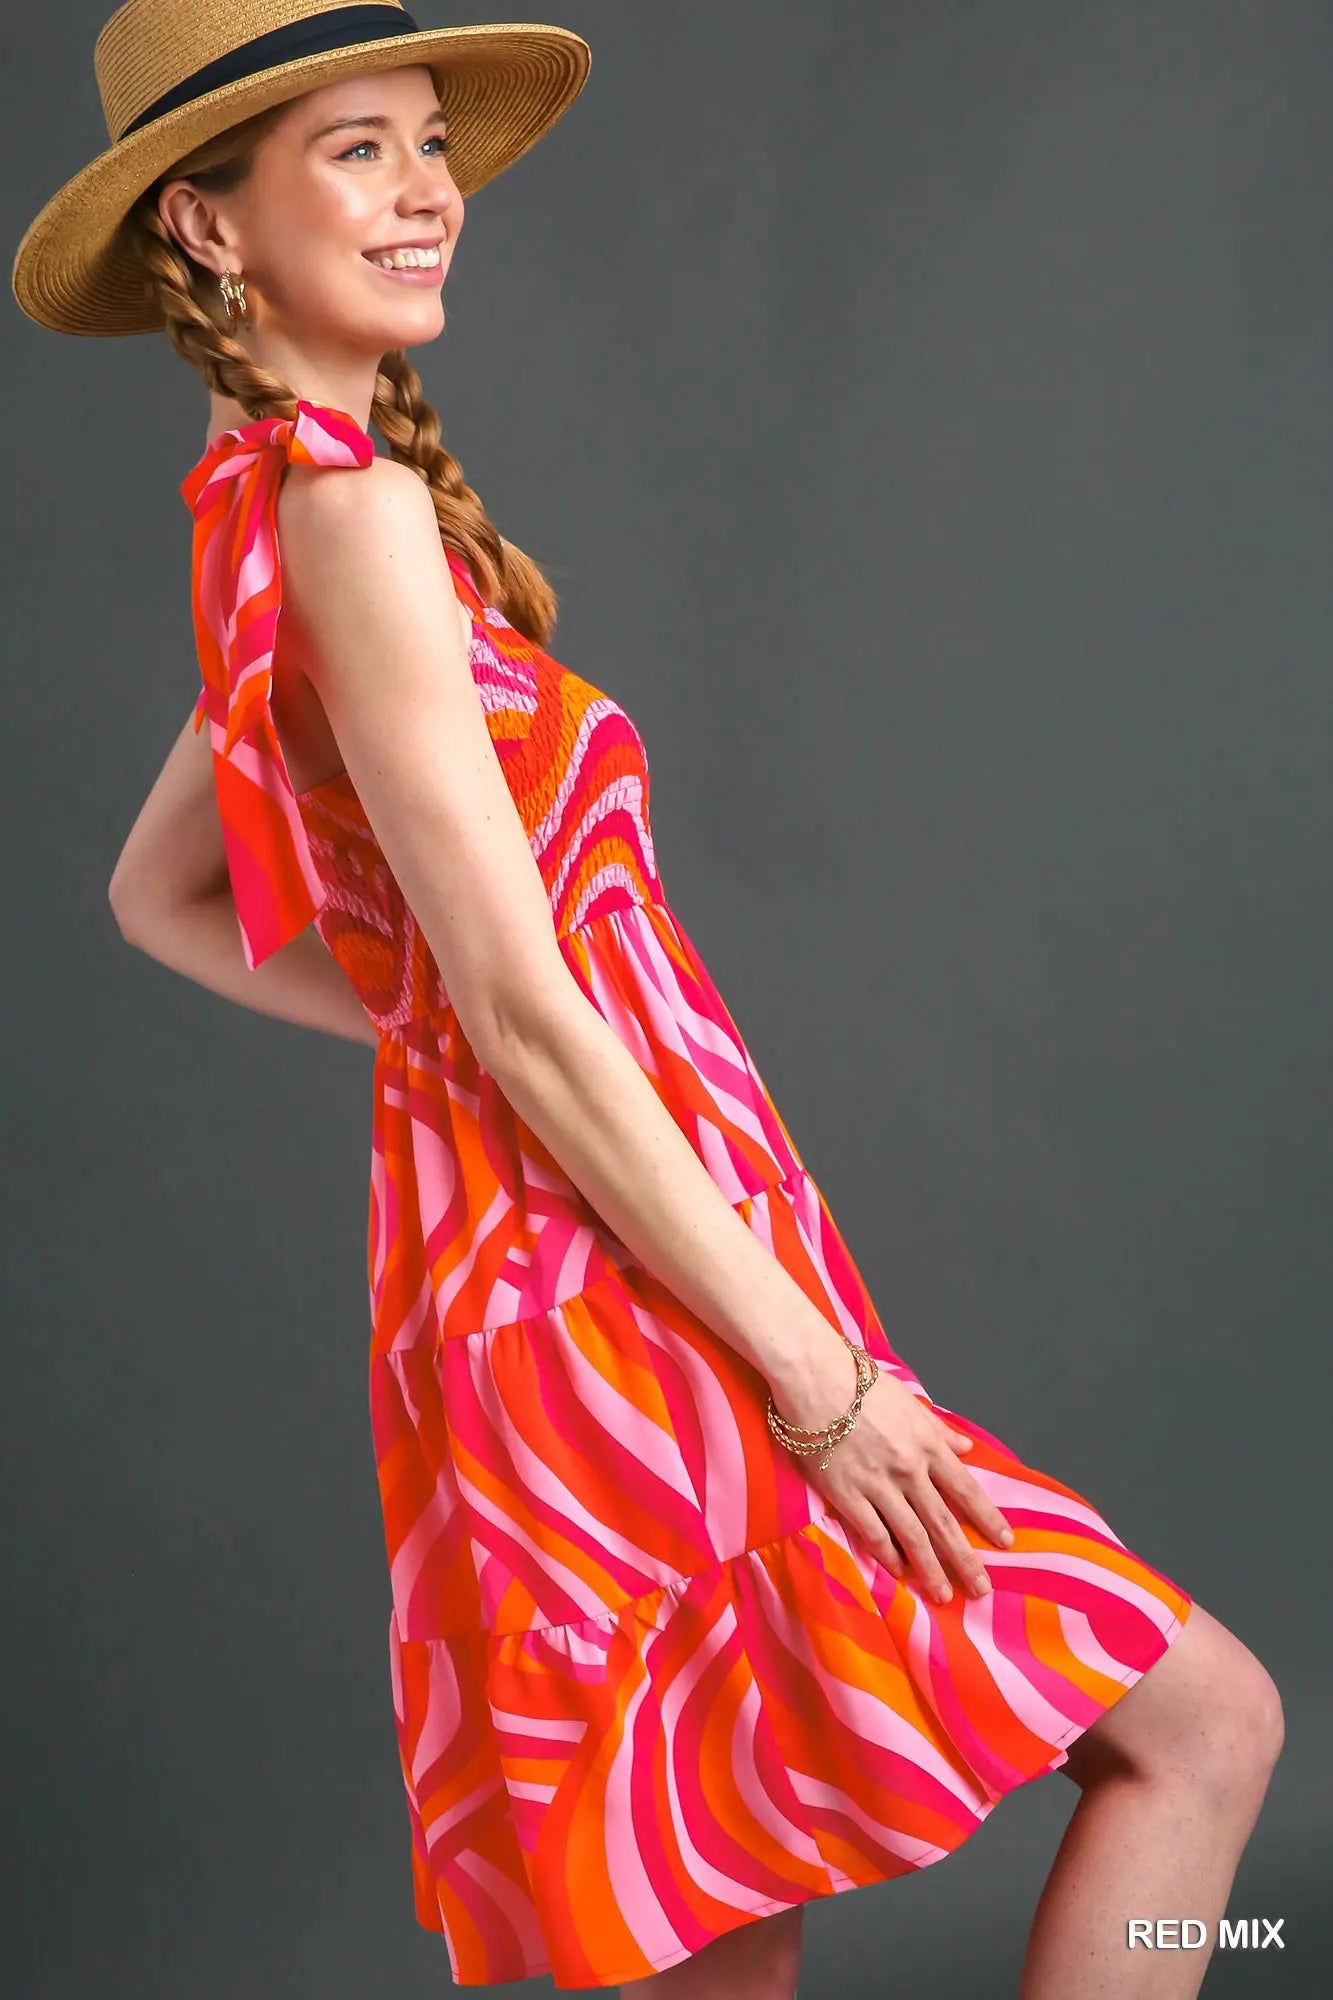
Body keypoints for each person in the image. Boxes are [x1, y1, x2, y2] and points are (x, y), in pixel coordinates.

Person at [13, 5, 1283, 1995]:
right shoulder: (337, 518)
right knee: (1186, 1727)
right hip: (627, 1301)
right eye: (357, 150)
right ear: (205, 224)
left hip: (590, 1267)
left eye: (429, 143)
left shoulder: (283, 503)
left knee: (713, 1893)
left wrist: (452, 1052)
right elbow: (514, 1012)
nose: (430, 188)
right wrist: (820, 1380)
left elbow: (154, 895)